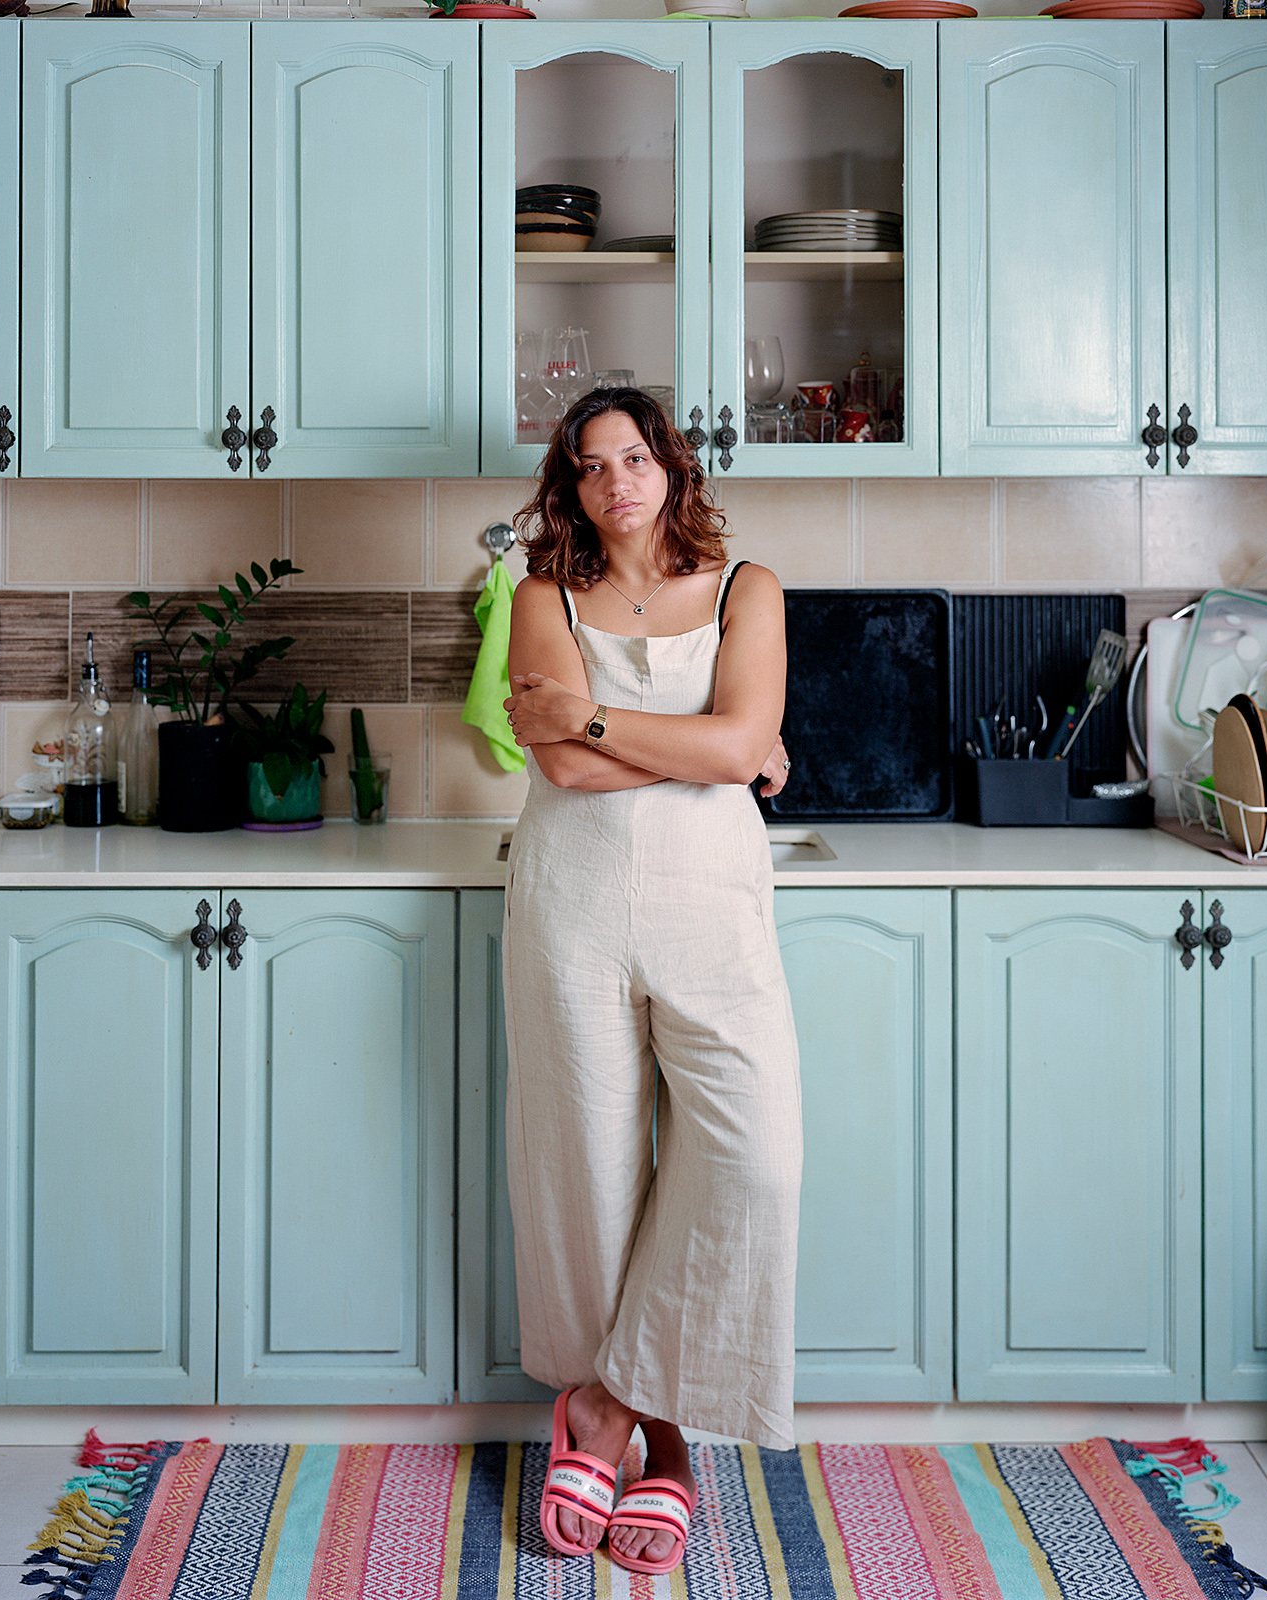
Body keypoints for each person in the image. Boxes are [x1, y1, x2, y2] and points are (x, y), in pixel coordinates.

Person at [499, 386, 800, 1577]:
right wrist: (707, 751)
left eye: (634, 455)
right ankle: (665, 1449)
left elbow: (737, 747)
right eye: (589, 465)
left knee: (754, 1156)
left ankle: (603, 1411)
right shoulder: (540, 599)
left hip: (714, 912)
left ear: (669, 465)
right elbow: (565, 771)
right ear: (569, 488)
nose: (616, 480)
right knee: (590, 1169)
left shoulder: (745, 591)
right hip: (570, 904)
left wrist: (603, 716)